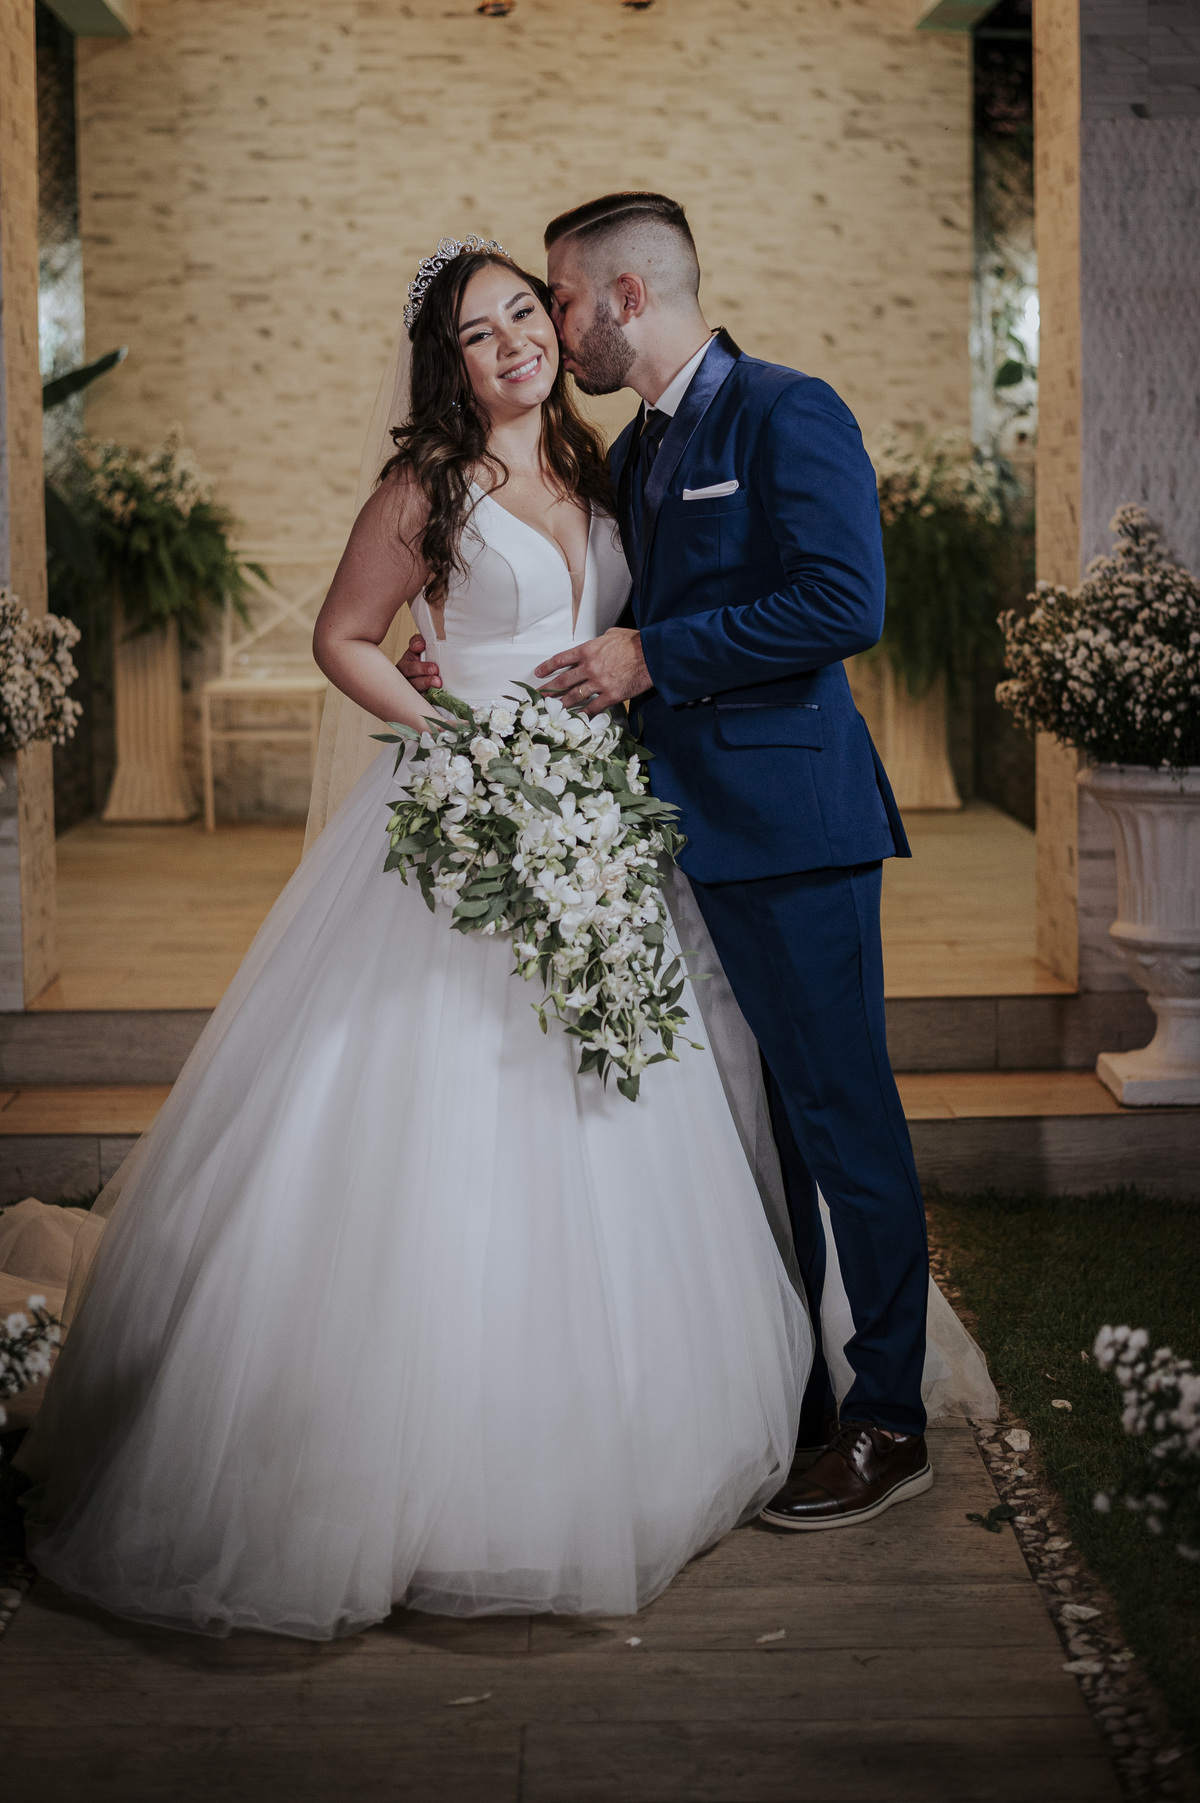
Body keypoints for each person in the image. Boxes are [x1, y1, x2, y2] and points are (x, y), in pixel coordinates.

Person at [16, 241, 812, 1638]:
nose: (511, 342)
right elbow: (345, 637)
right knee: (440, 1111)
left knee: (608, 1098)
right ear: (446, 365)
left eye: (524, 313)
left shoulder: (605, 470)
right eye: (475, 331)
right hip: (465, 818)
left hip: (596, 822)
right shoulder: (426, 488)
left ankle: (614, 1431)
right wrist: (453, 733)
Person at [398, 193, 942, 1532]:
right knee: (762, 1131)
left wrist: (656, 654)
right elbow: (584, 608)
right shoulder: (633, 450)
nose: (551, 326)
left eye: (559, 300)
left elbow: (844, 600)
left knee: (841, 1118)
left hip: (792, 832)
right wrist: (451, 653)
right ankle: (799, 1392)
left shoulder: (785, 411)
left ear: (626, 299)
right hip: (658, 846)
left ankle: (890, 1418)